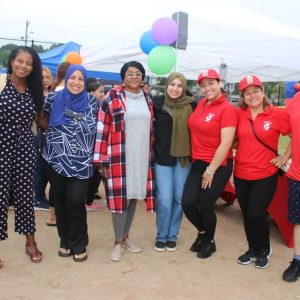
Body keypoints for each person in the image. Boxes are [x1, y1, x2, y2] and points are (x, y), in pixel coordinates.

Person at [93, 61, 155, 262]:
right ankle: (118, 242)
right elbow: (102, 128)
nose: (134, 77)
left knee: (134, 195)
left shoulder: (147, 98)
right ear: (123, 77)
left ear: (142, 77)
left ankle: (126, 236)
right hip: (119, 156)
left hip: (141, 155)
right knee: (119, 199)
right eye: (130, 73)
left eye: (138, 73)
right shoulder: (112, 97)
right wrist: (101, 159)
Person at [42, 64, 98, 262]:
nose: (76, 82)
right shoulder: (53, 98)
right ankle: (65, 240)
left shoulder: (92, 102)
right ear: (66, 79)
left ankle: (79, 242)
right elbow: (40, 117)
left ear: (85, 81)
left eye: (80, 78)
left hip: (82, 162)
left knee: (75, 202)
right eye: (72, 78)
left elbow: (94, 127)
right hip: (55, 159)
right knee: (60, 201)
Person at [234, 75, 290, 269]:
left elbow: (295, 135)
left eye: (255, 91)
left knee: (256, 213)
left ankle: (264, 249)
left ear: (263, 92)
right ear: (242, 97)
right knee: (247, 215)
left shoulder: (277, 114)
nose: (252, 95)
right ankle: (252, 249)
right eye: (247, 93)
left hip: (265, 174)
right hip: (241, 173)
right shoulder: (239, 114)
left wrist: (284, 157)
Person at [181, 69, 237, 259]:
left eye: (211, 83)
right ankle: (203, 233)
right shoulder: (202, 104)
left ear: (219, 83)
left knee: (205, 204)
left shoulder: (228, 108)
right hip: (198, 162)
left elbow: (226, 143)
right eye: (203, 85)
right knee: (187, 203)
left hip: (218, 165)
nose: (207, 88)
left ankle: (209, 242)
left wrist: (211, 170)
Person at [0, 46, 44, 267]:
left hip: (25, 147)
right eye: (20, 61)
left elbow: (40, 120)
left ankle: (30, 243)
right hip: (1, 146)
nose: (23, 66)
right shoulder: (1, 83)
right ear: (12, 61)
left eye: (28, 63)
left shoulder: (34, 89)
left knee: (26, 195)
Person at [153, 72, 196, 252]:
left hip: (184, 159)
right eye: (172, 84)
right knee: (164, 199)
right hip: (163, 158)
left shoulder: (192, 105)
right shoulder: (156, 104)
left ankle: (172, 236)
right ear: (167, 85)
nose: (175, 89)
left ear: (183, 87)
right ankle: (161, 236)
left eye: (179, 85)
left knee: (179, 197)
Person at [45, 62, 71, 226]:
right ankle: (54, 215)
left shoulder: (53, 90)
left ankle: (52, 215)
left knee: (56, 182)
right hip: (64, 141)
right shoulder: (62, 92)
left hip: (53, 139)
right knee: (60, 182)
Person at [282, 90, 300, 282]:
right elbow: (293, 133)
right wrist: (285, 156)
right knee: (298, 221)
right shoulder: (296, 99)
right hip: (298, 174)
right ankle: (297, 261)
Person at [33, 66, 53, 211]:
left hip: (48, 135)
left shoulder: (51, 94)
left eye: (47, 77)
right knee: (39, 167)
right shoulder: (35, 95)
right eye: (42, 77)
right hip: (38, 134)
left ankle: (41, 196)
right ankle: (38, 199)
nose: (45, 80)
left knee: (46, 166)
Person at [85, 80, 105, 211]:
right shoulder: (91, 107)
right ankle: (88, 202)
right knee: (94, 175)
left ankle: (88, 200)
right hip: (91, 147)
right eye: (101, 92)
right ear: (91, 93)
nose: (103, 94)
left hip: (94, 147)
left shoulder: (98, 105)